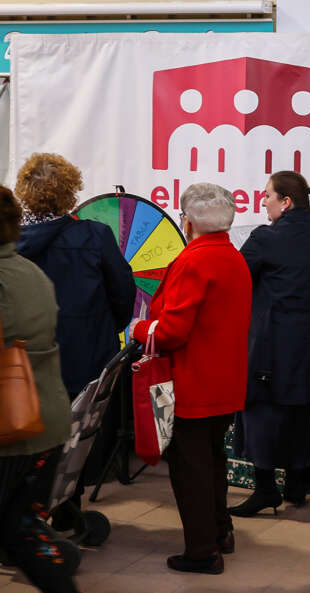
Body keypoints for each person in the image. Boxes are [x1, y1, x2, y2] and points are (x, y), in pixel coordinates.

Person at [128, 183, 252, 574]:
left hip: (193, 381)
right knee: (212, 460)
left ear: (188, 221)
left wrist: (137, 328)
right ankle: (221, 531)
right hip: (226, 380)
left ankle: (202, 551)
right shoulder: (234, 257)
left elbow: (171, 332)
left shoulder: (193, 261)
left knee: (190, 469)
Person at [230, 171, 310, 516]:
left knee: (260, 416)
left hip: (272, 346)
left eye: (267, 195)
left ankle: (266, 489)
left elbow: (238, 279)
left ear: (285, 201)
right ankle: (296, 485)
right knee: (304, 413)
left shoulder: (266, 237)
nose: (263, 201)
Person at [0, 185, 80, 593]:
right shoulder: (31, 273)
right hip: (47, 419)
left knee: (17, 530)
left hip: (11, 425)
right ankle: (60, 567)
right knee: (21, 527)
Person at [15, 153, 135, 399]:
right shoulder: (95, 236)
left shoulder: (9, 243)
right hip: (90, 363)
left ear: (24, 192)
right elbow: (123, 294)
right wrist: (105, 328)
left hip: (28, 370)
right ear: (70, 190)